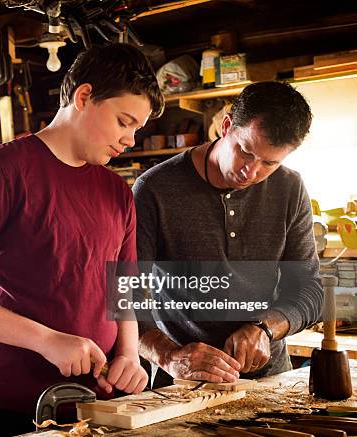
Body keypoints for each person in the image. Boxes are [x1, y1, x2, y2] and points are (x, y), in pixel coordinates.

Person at [0, 43, 165, 437]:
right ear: (83, 97)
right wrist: (48, 340)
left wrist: (129, 354)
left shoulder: (118, 191)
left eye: (137, 128)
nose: (130, 139)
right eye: (123, 121)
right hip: (10, 407)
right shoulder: (4, 168)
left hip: (97, 407)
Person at [134, 81, 323, 387]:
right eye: (245, 151)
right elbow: (125, 296)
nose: (251, 172)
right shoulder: (154, 189)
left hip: (270, 381)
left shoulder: (290, 188)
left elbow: (310, 291)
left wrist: (264, 329)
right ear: (225, 127)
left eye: (269, 163)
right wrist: (169, 357)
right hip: (183, 382)